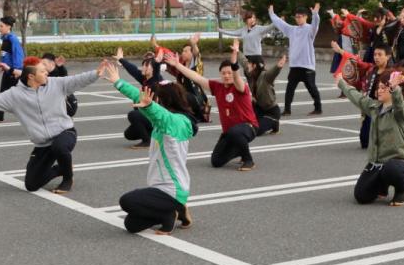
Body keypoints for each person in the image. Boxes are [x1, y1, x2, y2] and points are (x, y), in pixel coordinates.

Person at [0, 56, 103, 193]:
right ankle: (60, 169)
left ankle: (67, 179)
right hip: (43, 144)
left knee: (60, 147)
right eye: (42, 71)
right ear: (31, 76)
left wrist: (96, 73)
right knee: (31, 185)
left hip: (65, 132)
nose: (46, 72)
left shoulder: (57, 84)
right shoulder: (15, 96)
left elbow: (78, 80)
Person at [98, 61, 198, 235]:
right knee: (131, 224)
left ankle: (173, 210)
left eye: (157, 99)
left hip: (172, 189)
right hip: (159, 187)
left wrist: (151, 106)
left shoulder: (177, 122)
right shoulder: (163, 122)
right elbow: (143, 100)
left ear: (165, 101)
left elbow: (160, 113)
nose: (154, 101)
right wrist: (118, 83)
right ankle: (170, 214)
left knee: (127, 201)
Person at [165, 40, 257, 171]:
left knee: (235, 132)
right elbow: (196, 78)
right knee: (216, 161)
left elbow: (237, 78)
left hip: (249, 127)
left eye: (229, 73)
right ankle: (240, 150)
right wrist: (178, 65)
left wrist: (234, 62)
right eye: (223, 73)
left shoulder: (240, 87)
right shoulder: (217, 87)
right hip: (230, 133)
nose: (226, 75)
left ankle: (249, 160)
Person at [338, 68, 404, 206]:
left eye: (383, 88)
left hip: (399, 163)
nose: (379, 90)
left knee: (391, 169)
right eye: (379, 87)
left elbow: (398, 103)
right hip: (377, 164)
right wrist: (341, 83)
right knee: (361, 196)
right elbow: (358, 99)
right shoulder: (374, 107)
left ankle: (400, 192)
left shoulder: (401, 112)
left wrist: (394, 88)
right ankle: (382, 186)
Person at [267, 3, 323, 116]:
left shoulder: (310, 30)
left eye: (300, 16)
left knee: (312, 88)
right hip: (295, 65)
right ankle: (287, 110)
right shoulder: (292, 29)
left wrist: (315, 14)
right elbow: (280, 23)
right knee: (289, 89)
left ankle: (318, 108)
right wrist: (272, 14)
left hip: (307, 65)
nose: (298, 19)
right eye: (296, 17)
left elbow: (315, 24)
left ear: (306, 17)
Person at [240, 52, 287, 135]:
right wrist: (237, 51)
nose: (247, 65)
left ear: (254, 66)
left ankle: (274, 123)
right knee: (245, 124)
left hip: (271, 112)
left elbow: (272, 73)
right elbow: (243, 62)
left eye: (249, 63)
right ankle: (259, 119)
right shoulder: (251, 73)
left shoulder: (265, 76)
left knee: (256, 131)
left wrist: (278, 67)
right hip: (258, 107)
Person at [0, 15, 24, 123]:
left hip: (13, 71)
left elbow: (18, 55)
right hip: (7, 70)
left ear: (9, 26)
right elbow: (5, 55)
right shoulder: (5, 39)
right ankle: (0, 115)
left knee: (19, 96)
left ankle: (31, 115)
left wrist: (16, 70)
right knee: (3, 93)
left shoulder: (12, 39)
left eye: (1, 26)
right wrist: (2, 65)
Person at [40, 53, 78, 117]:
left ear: (52, 63)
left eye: (44, 64)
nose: (42, 66)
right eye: (41, 64)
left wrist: (60, 67)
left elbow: (64, 77)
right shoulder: (41, 73)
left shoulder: (59, 71)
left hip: (66, 106)